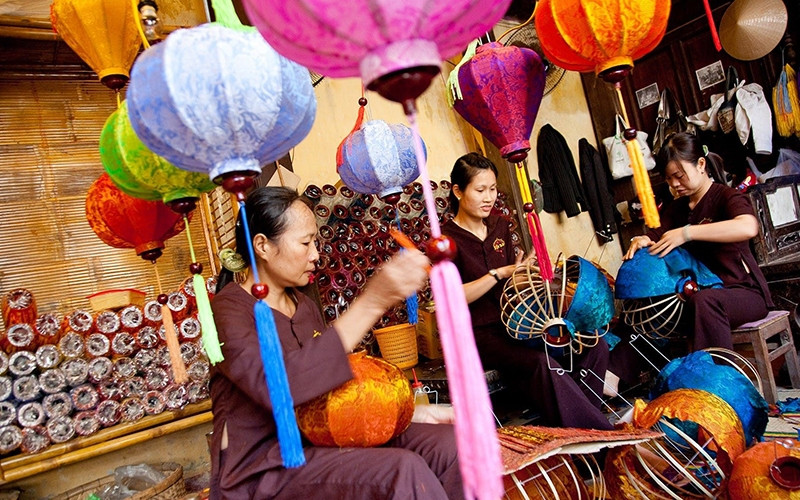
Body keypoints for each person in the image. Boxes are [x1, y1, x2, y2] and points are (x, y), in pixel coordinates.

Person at [209, 187, 463, 500]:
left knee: (449, 446)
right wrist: (371, 303)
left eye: (314, 241)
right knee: (402, 470)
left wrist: (407, 413)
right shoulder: (228, 309)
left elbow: (332, 396)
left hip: (324, 441)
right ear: (262, 245)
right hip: (264, 468)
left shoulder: (304, 306)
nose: (316, 254)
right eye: (305, 243)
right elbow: (278, 387)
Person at [441, 152, 613, 430]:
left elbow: (515, 279)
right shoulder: (446, 241)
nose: (489, 198)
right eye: (480, 190)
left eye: (493, 189)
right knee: (544, 364)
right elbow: (450, 297)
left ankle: (587, 428)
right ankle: (598, 434)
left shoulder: (499, 226)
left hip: (522, 324)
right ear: (458, 191)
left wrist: (525, 274)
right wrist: (499, 273)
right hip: (483, 335)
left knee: (594, 346)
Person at [624, 132, 773, 350]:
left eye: (679, 175)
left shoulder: (726, 196)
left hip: (743, 292)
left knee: (704, 301)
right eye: (669, 179)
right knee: (646, 310)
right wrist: (641, 239)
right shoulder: (677, 209)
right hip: (699, 295)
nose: (675, 184)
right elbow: (657, 237)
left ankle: (715, 379)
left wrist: (687, 233)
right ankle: (611, 378)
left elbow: (747, 226)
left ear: (701, 164)